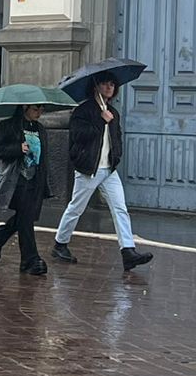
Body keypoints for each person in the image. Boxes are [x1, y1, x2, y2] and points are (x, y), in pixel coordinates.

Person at [51, 78, 154, 272]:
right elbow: (78, 136)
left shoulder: (113, 112)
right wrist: (100, 120)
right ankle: (60, 244)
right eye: (105, 83)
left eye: (113, 85)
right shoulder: (83, 111)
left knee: (120, 208)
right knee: (76, 208)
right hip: (89, 169)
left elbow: (117, 138)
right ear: (96, 86)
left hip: (109, 170)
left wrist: (116, 156)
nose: (109, 87)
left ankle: (128, 251)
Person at [0, 104, 52, 276]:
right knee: (26, 217)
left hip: (34, 179)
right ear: (25, 108)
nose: (39, 112)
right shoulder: (8, 125)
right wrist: (17, 148)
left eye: (42, 109)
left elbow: (43, 157)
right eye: (36, 109)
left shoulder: (40, 129)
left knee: (24, 217)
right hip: (14, 179)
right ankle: (30, 260)